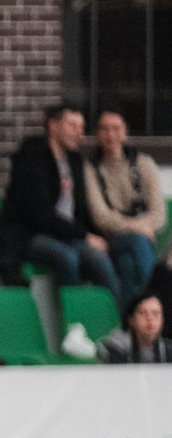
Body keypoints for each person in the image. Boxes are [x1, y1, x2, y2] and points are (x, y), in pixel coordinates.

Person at [0, 104, 118, 295]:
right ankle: (74, 318)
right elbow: (40, 215)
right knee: (66, 258)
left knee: (99, 259)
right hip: (31, 234)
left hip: (67, 234)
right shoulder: (32, 158)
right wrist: (85, 235)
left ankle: (119, 318)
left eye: (81, 127)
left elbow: (81, 209)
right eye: (72, 126)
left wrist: (96, 235)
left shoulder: (75, 160)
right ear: (53, 126)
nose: (79, 133)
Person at [85, 110, 164, 308]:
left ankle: (129, 321)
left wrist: (141, 228)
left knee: (127, 264)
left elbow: (159, 214)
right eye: (104, 129)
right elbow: (101, 217)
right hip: (109, 241)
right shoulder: (90, 170)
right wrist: (138, 228)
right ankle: (157, 302)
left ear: (125, 132)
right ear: (97, 134)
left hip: (142, 242)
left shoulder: (144, 164)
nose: (110, 135)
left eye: (116, 128)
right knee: (136, 241)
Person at [98, 291, 172, 363]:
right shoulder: (115, 347)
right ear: (131, 319)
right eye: (143, 313)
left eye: (155, 314)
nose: (150, 319)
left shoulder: (168, 349)